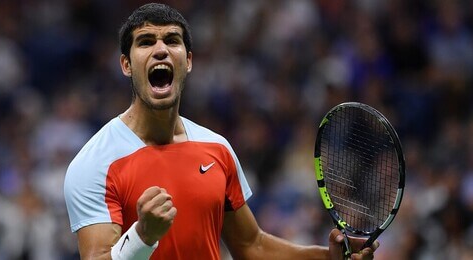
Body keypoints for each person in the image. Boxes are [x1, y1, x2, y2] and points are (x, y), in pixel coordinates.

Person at [64, 3, 379, 259]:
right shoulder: (95, 163)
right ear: (126, 65)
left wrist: (328, 258)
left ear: (187, 61)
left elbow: (251, 246)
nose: (160, 49)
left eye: (172, 40)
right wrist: (142, 237)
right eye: (146, 42)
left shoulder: (217, 149)